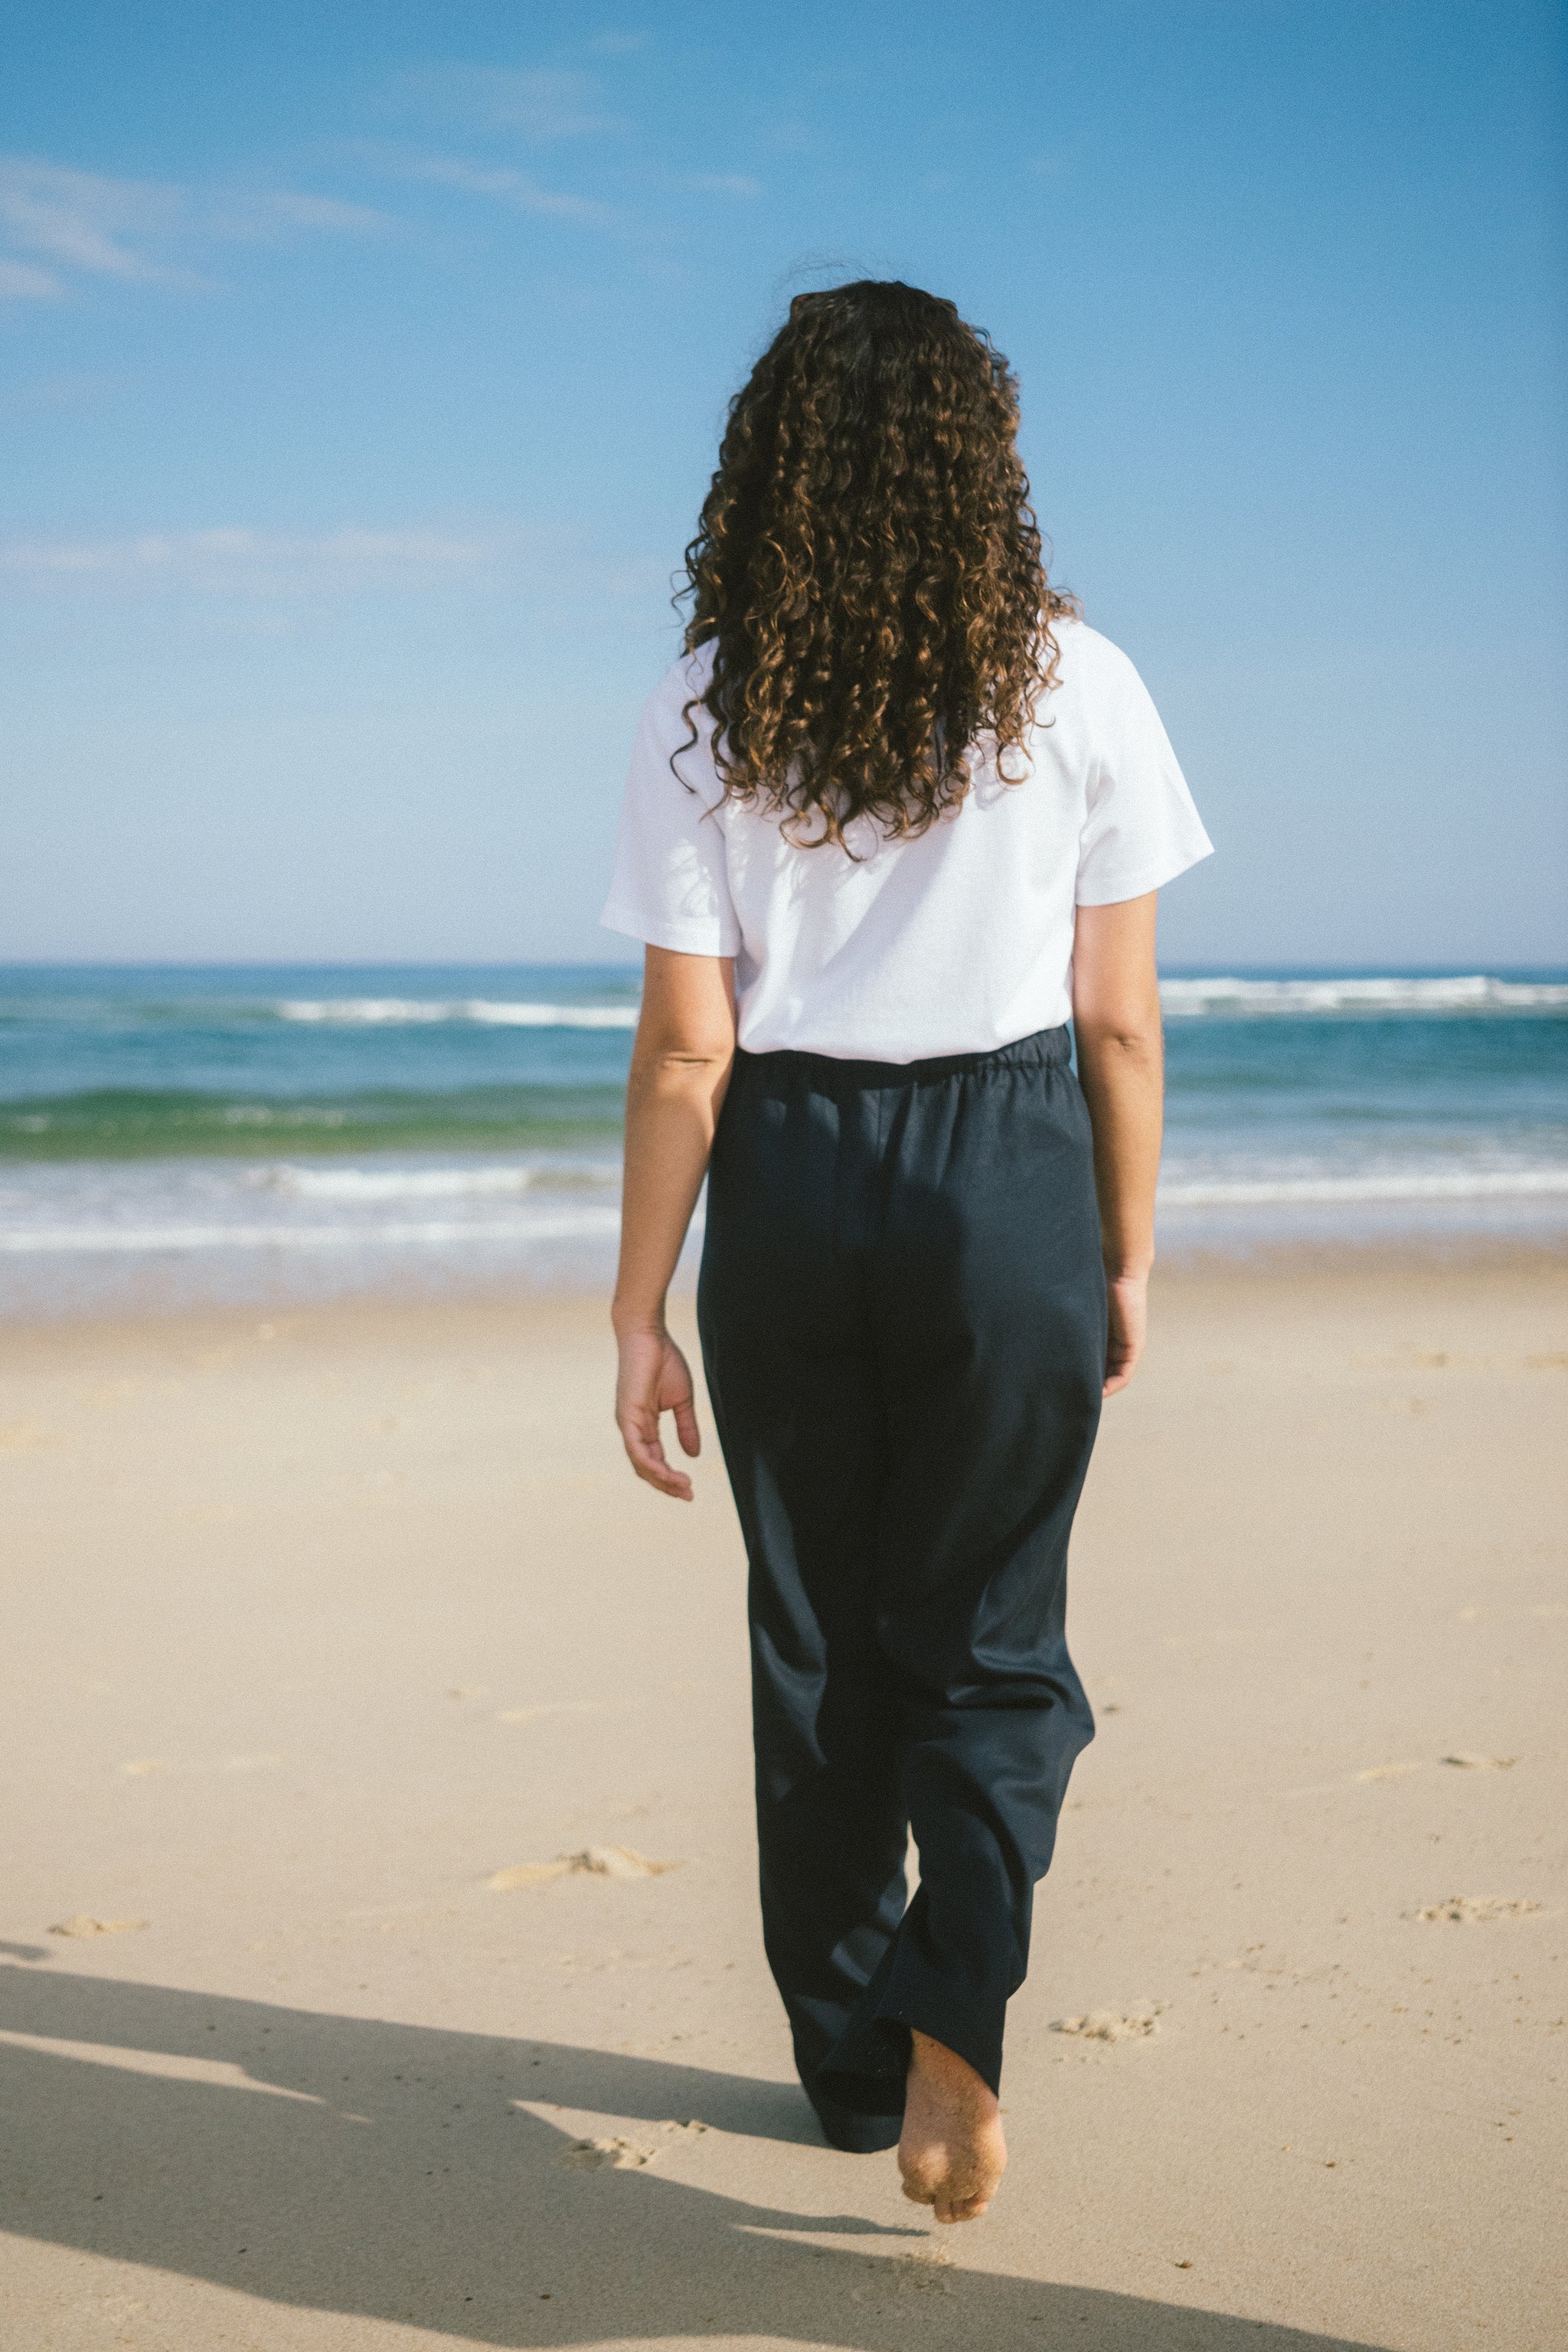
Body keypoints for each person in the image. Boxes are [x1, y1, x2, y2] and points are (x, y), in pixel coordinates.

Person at [602, 280, 1211, 2224]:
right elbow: (1118, 1018)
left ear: (772, 465)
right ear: (984, 461)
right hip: (1008, 1164)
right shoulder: (1079, 681)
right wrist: (1117, 1249)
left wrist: (639, 1308)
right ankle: (965, 2026)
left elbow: (691, 1047)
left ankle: (857, 2073)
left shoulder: (708, 700)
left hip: (788, 1182)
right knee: (993, 1641)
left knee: (818, 1646)